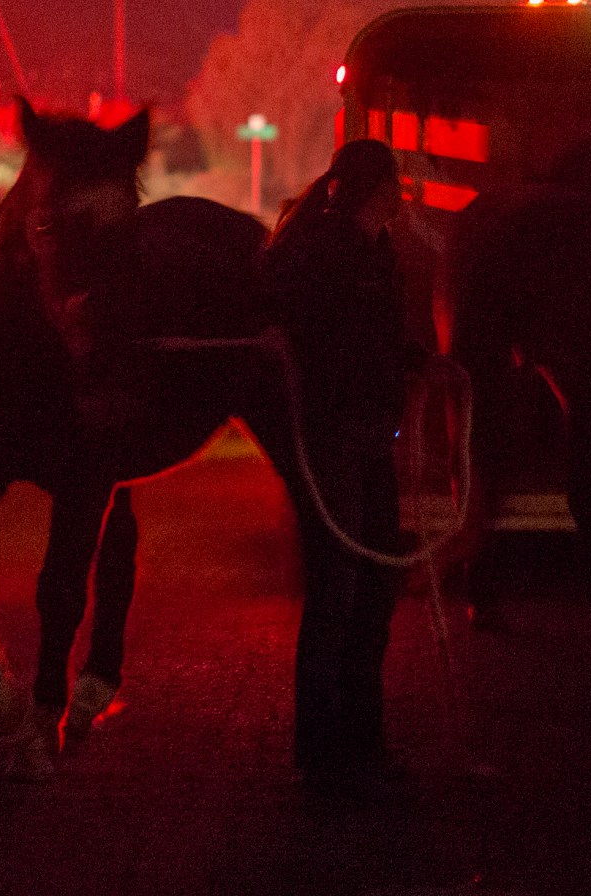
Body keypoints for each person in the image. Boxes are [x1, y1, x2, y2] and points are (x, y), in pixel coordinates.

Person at [259, 138, 419, 790]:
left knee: (375, 580)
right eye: (396, 185)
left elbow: (376, 335)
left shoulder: (372, 252)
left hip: (370, 432)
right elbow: (318, 330)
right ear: (376, 188)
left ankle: (359, 737)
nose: (402, 196)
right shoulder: (323, 252)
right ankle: (327, 750)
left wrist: (411, 365)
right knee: (340, 587)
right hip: (336, 435)